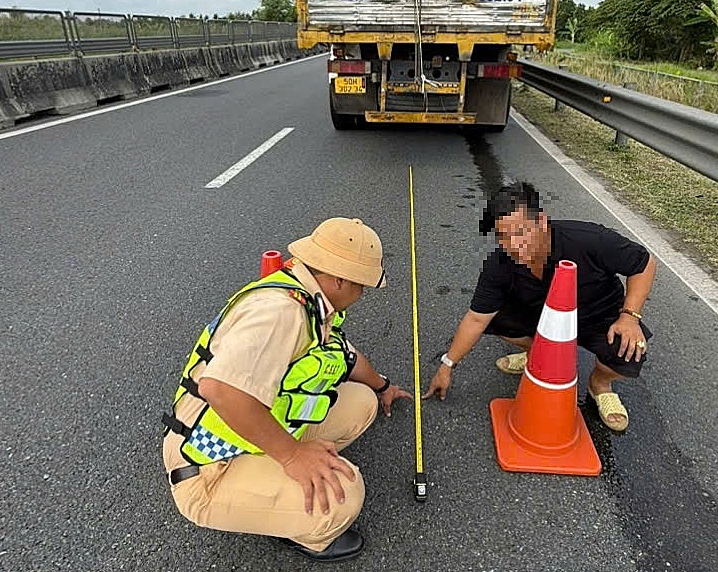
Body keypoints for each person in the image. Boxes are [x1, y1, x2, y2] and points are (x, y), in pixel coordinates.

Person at [161, 217, 411, 562]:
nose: (363, 293)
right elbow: (220, 389)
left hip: (250, 423)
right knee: (344, 496)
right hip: (208, 466)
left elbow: (346, 356)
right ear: (338, 279)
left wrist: (383, 386)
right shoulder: (280, 312)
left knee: (362, 402)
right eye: (361, 285)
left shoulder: (309, 295)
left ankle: (279, 468)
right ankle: (304, 529)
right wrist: (292, 456)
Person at [424, 180, 657, 431]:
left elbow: (644, 264)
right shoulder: (499, 264)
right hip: (543, 319)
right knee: (495, 317)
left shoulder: (588, 239)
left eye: (521, 232)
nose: (513, 245)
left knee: (630, 352)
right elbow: (476, 319)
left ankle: (600, 385)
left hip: (598, 317)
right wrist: (447, 366)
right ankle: (536, 354)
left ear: (542, 222)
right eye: (503, 236)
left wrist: (630, 316)